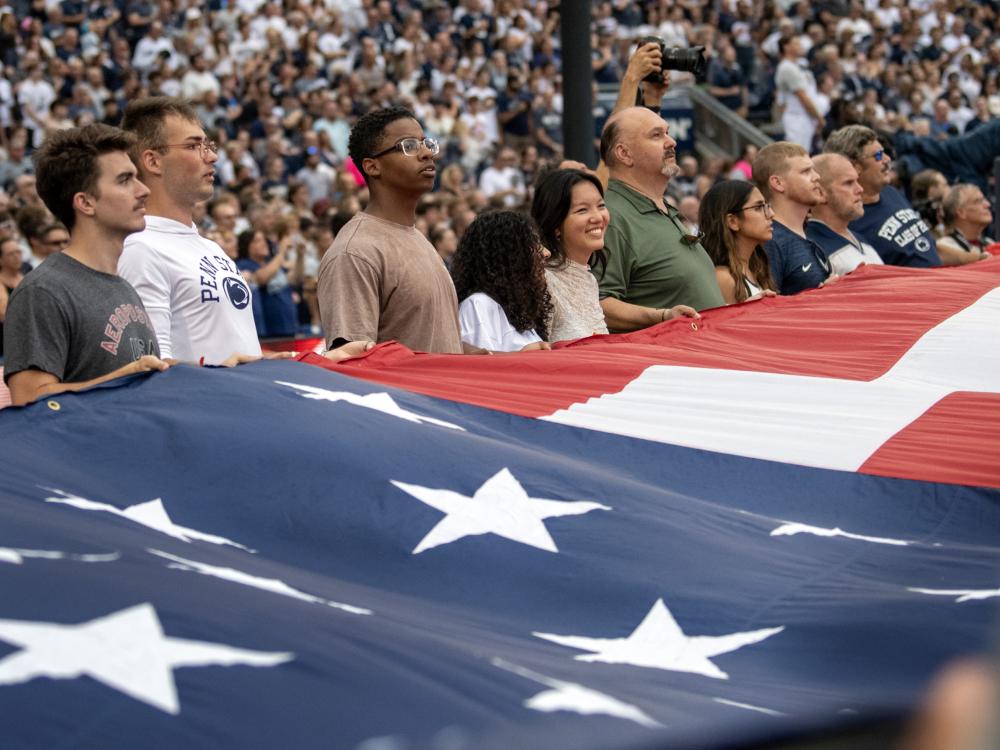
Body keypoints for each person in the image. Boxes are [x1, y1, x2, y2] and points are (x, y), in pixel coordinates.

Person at [3, 124, 168, 407]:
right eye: (125, 179)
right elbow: (29, 400)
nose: (143, 190)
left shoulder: (122, 285)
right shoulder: (43, 291)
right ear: (86, 202)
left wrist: (215, 370)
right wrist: (120, 379)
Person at [117, 96, 264, 364]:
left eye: (208, 145)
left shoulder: (210, 247)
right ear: (152, 161)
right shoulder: (141, 249)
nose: (212, 156)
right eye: (194, 146)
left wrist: (301, 359)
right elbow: (152, 368)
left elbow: (239, 352)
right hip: (201, 405)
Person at [317, 106, 464, 354]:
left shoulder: (416, 236)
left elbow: (431, 344)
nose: (427, 153)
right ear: (373, 167)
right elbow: (356, 361)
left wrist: (499, 356)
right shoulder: (354, 252)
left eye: (425, 143)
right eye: (408, 146)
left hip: (445, 392)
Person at [597, 106, 716, 332]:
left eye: (667, 132)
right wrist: (662, 317)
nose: (672, 141)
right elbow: (597, 306)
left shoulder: (663, 208)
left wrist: (735, 308)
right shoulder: (611, 216)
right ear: (624, 154)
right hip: (670, 361)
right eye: (656, 135)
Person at [823, 125, 942, 268]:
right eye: (878, 156)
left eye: (884, 152)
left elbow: (927, 249)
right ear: (855, 167)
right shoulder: (850, 221)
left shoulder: (891, 192)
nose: (887, 159)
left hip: (940, 279)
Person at [451, 210, 551, 352]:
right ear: (508, 256)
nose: (546, 252)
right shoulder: (478, 304)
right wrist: (525, 355)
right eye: (532, 245)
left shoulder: (516, 310)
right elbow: (478, 368)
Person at [531, 168, 611, 342]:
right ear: (556, 225)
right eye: (582, 210)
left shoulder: (588, 279)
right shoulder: (542, 281)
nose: (598, 217)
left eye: (601, 206)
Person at [753, 141, 836, 294]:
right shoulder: (771, 241)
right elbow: (767, 310)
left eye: (814, 170)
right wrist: (821, 295)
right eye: (806, 171)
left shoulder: (802, 233)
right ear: (778, 183)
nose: (817, 177)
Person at [698, 180, 777, 305]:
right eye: (758, 207)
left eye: (766, 206)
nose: (771, 214)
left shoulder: (756, 267)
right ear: (732, 221)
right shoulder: (724, 278)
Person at [806, 153, 884, 276]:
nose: (860, 189)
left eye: (857, 181)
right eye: (848, 183)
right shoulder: (811, 248)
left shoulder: (860, 238)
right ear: (820, 192)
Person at [775, 35, 824, 151]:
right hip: (797, 118)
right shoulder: (787, 68)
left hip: (806, 117)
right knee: (798, 154)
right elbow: (802, 96)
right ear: (786, 47)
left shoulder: (800, 65)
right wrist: (818, 117)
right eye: (796, 43)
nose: (801, 46)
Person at [935, 184, 994, 264]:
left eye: (984, 199)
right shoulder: (944, 249)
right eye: (978, 201)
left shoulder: (990, 243)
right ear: (961, 212)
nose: (987, 205)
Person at [0, 236, 26, 357]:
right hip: (6, 346)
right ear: (1, 259)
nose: (17, 257)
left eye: (18, 252)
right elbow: (3, 314)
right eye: (11, 254)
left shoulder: (28, 275)